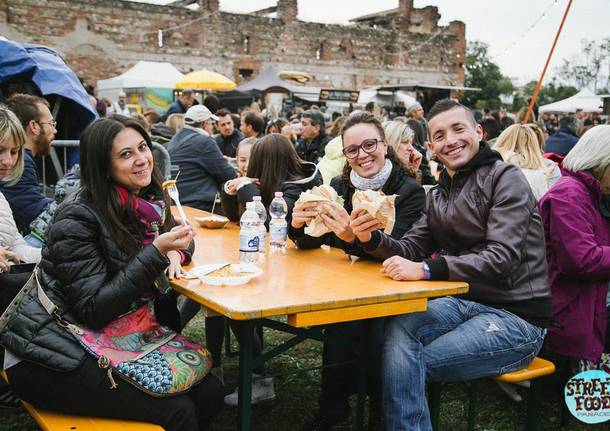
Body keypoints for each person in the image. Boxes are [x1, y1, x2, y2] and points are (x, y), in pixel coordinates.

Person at [0, 116, 224, 431]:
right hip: (52, 352)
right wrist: (155, 254)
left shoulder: (145, 202)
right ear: (104, 167)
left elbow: (181, 237)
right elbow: (93, 309)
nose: (142, 159)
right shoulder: (77, 218)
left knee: (211, 392)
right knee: (178, 412)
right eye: (125, 154)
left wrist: (175, 251)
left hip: (116, 336)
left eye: (143, 147)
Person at [353, 100, 550, 430]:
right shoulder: (439, 194)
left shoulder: (506, 178)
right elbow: (410, 247)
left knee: (405, 364)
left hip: (518, 317)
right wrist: (368, 238)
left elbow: (501, 258)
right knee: (398, 328)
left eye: (459, 129)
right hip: (464, 302)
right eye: (440, 135)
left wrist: (428, 270)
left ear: (478, 132)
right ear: (430, 146)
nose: (451, 140)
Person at [290, 112, 425, 430]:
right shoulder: (338, 185)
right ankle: (334, 408)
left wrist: (353, 240)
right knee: (341, 323)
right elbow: (316, 238)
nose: (362, 155)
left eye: (369, 145)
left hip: (392, 288)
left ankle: (380, 408)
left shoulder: (408, 192)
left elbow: (403, 249)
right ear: (345, 155)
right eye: (353, 150)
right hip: (346, 287)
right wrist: (297, 226)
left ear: (384, 146)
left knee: (373, 328)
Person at [218, 134, 322, 406]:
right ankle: (238, 369)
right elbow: (238, 218)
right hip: (280, 265)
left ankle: (257, 378)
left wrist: (247, 188)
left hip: (307, 276)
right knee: (225, 293)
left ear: (267, 163)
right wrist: (232, 190)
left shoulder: (297, 189)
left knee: (234, 297)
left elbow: (270, 223)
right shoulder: (274, 184)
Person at [538, 125, 610, 372]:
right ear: (600, 163)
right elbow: (581, 260)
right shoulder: (569, 195)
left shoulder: (594, 194)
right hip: (569, 307)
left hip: (586, 301)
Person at [0, 94, 56, 232]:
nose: (8, 162)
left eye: (14, 152)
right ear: (34, 126)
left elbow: (15, 242)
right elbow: (34, 210)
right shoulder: (23, 163)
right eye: (51, 123)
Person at [166, 105, 236, 212]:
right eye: (211, 123)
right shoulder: (204, 142)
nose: (213, 127)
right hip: (199, 204)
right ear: (204, 125)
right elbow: (228, 175)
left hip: (176, 203)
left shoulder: (176, 138)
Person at [493, 124, 561, 200]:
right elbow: (548, 204)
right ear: (534, 144)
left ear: (503, 141)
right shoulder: (549, 167)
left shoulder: (491, 165)